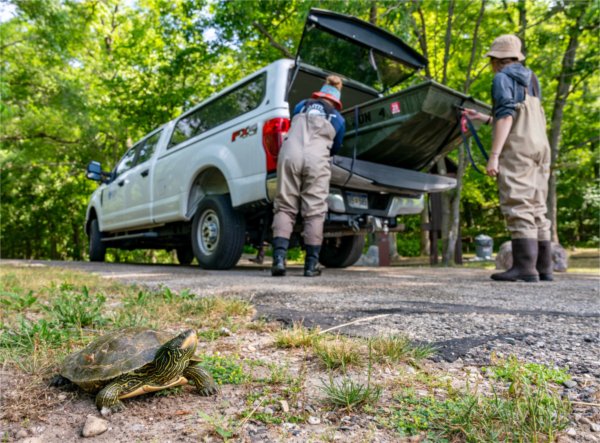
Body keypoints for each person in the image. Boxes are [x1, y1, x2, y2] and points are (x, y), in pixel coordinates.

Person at [463, 34, 552, 282]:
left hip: (519, 148)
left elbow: (506, 117)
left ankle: (524, 268)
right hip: (540, 146)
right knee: (537, 205)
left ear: (496, 60)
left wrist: (494, 156)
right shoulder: (531, 78)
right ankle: (544, 268)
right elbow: (518, 116)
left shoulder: (502, 78)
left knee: (518, 204)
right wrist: (483, 118)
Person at [271, 75, 346, 277]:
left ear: (320, 92)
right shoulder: (338, 119)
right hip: (316, 160)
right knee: (314, 211)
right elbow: (335, 147)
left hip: (289, 156)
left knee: (285, 206)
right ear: (336, 99)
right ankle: (311, 266)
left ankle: (278, 260)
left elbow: (292, 127)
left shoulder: (302, 106)